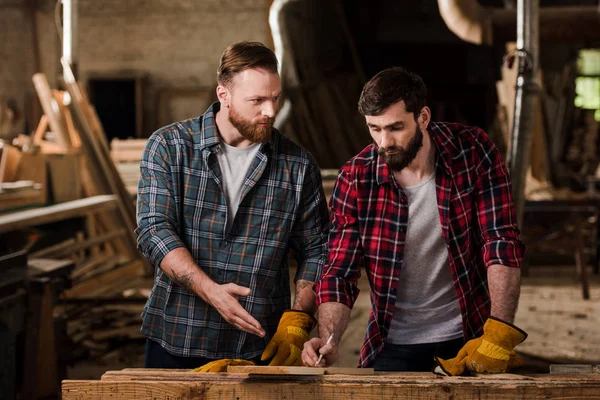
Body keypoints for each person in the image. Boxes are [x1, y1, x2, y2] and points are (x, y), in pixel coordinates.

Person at [301, 67, 527, 374]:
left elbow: (500, 240)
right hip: (393, 341)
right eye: (374, 128)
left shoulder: (473, 152)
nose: (384, 142)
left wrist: (499, 333)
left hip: (471, 334)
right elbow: (339, 273)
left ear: (422, 117)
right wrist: (328, 339)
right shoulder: (356, 178)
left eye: (395, 127)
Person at [136, 41, 329, 371]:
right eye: (257, 100)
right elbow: (154, 231)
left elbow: (317, 248)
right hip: (179, 335)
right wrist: (211, 291)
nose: (270, 111)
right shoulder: (169, 147)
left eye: (275, 98)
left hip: (259, 344)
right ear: (223, 95)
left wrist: (298, 318)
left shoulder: (297, 165)